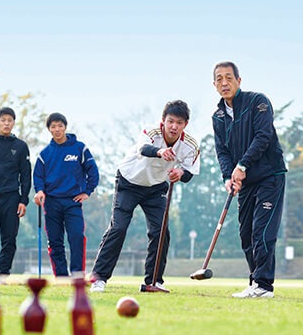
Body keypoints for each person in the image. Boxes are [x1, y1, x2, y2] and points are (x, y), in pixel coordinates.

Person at [90, 100, 200, 293]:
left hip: (155, 188)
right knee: (119, 228)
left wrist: (180, 173)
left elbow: (189, 173)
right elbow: (144, 150)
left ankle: (154, 281)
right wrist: (160, 151)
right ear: (163, 121)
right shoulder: (151, 132)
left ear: (185, 125)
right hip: (129, 182)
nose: (174, 126)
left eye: (179, 123)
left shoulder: (190, 144)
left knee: (161, 231)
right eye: (171, 121)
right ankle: (99, 277)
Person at [212, 61, 287, 299]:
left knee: (262, 231)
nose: (224, 83)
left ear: (239, 81)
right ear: (214, 84)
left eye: (229, 78)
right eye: (219, 79)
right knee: (246, 233)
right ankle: (255, 281)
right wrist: (228, 176)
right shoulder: (218, 116)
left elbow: (263, 136)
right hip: (245, 183)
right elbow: (222, 151)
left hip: (269, 175)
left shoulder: (258, 102)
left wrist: (242, 165)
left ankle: (264, 285)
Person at [33, 113, 99, 277]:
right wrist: (39, 191)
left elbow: (93, 171)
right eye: (53, 126)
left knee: (76, 237)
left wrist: (87, 191)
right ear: (49, 129)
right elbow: (38, 176)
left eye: (60, 125)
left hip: (73, 202)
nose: (57, 129)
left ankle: (77, 275)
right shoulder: (45, 153)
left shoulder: (79, 148)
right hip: (51, 202)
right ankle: (61, 277)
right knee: (55, 241)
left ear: (65, 126)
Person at [0, 107, 31, 283]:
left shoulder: (21, 146)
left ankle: (3, 275)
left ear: (14, 123)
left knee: (9, 238)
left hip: (11, 197)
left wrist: (24, 200)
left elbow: (25, 175)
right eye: (3, 120)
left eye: (9, 120)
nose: (6, 123)